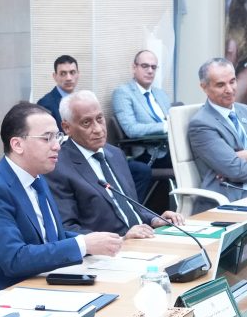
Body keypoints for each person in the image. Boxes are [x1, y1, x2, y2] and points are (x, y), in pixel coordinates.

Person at [0, 102, 122, 293]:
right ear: (17, 145)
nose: (57, 146)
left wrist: (96, 241)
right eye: (47, 138)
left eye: (57, 137)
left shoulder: (37, 177)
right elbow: (14, 259)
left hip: (42, 282)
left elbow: (52, 237)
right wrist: (83, 244)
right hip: (5, 295)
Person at [46, 90, 179, 237]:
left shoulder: (115, 154)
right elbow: (67, 229)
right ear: (66, 128)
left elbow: (130, 206)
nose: (98, 129)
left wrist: (155, 219)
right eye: (86, 123)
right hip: (110, 248)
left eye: (100, 119)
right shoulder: (58, 168)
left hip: (143, 239)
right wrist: (121, 239)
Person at [185, 57, 247, 199]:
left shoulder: (246, 111)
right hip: (234, 198)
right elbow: (236, 171)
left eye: (232, 81)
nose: (229, 90)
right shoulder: (201, 124)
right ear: (204, 87)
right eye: (220, 85)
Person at [110, 49, 172, 170]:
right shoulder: (123, 93)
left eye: (153, 67)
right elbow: (131, 129)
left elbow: (173, 120)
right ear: (134, 68)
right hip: (149, 153)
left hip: (171, 148)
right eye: (145, 66)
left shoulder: (160, 94)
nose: (150, 71)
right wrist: (164, 127)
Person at [37, 54, 78, 123]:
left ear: (78, 74)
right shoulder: (45, 104)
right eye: (63, 73)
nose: (68, 78)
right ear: (55, 76)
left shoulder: (81, 100)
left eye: (72, 72)